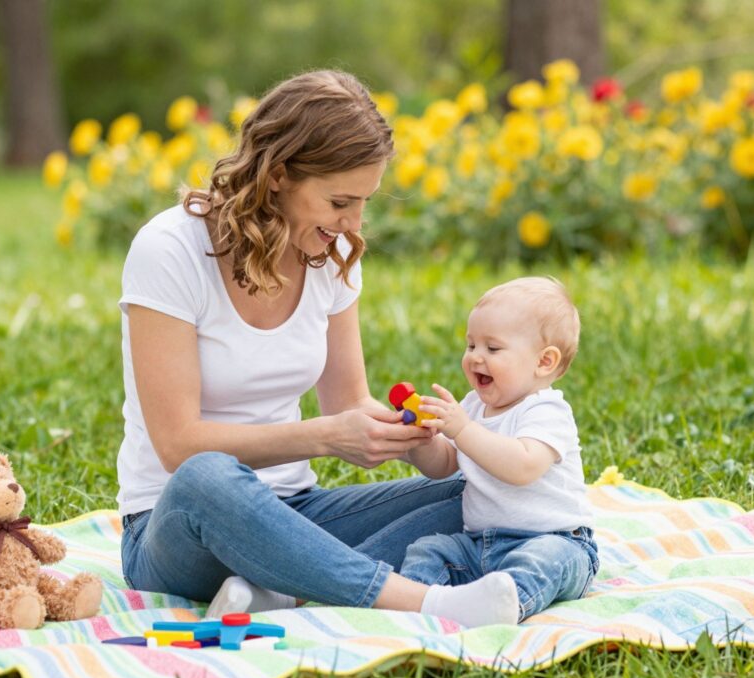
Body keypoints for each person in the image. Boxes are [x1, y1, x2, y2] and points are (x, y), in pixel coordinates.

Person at [118, 69, 519, 629]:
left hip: (297, 512)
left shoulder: (330, 256)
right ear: (278, 174)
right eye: (339, 202)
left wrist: (400, 431)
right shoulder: (170, 249)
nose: (353, 225)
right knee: (208, 474)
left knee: (474, 491)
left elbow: (347, 402)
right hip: (178, 524)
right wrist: (325, 438)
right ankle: (423, 603)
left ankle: (286, 588)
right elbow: (177, 447)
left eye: (363, 203)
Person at [398, 277, 599, 624]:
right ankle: (416, 606)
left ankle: (502, 607)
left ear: (544, 362)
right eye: (471, 344)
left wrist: (462, 429)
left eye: (492, 349)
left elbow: (522, 467)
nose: (476, 357)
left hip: (558, 541)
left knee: (542, 561)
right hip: (481, 545)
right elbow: (445, 463)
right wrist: (422, 442)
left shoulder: (546, 411)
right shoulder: (473, 407)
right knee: (429, 549)